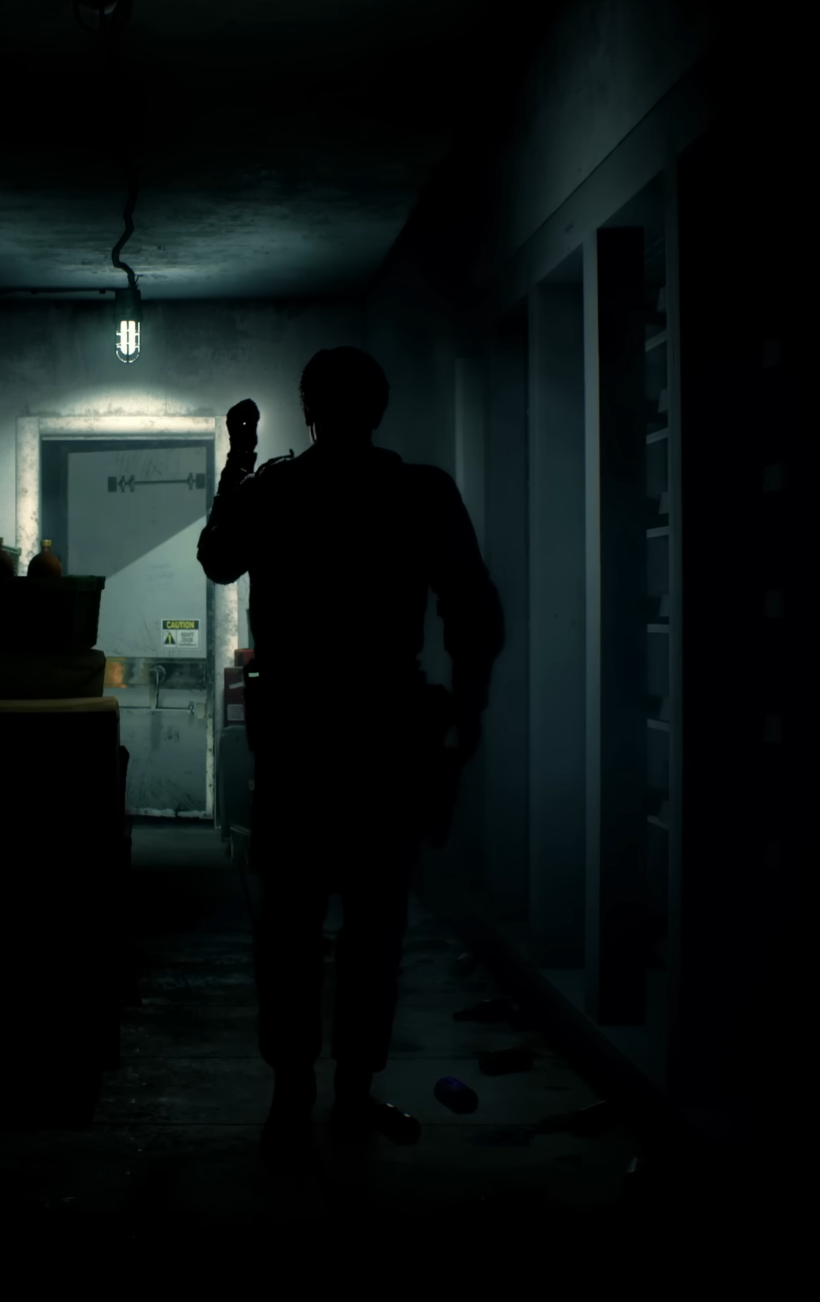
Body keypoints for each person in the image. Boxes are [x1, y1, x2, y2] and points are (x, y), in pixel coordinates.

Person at [198, 345, 504, 1171]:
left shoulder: (277, 490)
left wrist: (240, 461)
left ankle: (293, 1092)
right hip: (382, 735)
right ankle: (351, 1088)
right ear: (379, 407)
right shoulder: (418, 491)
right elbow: (473, 609)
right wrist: (467, 713)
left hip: (300, 737)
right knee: (376, 927)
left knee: (291, 929)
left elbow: (218, 559)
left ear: (308, 409)